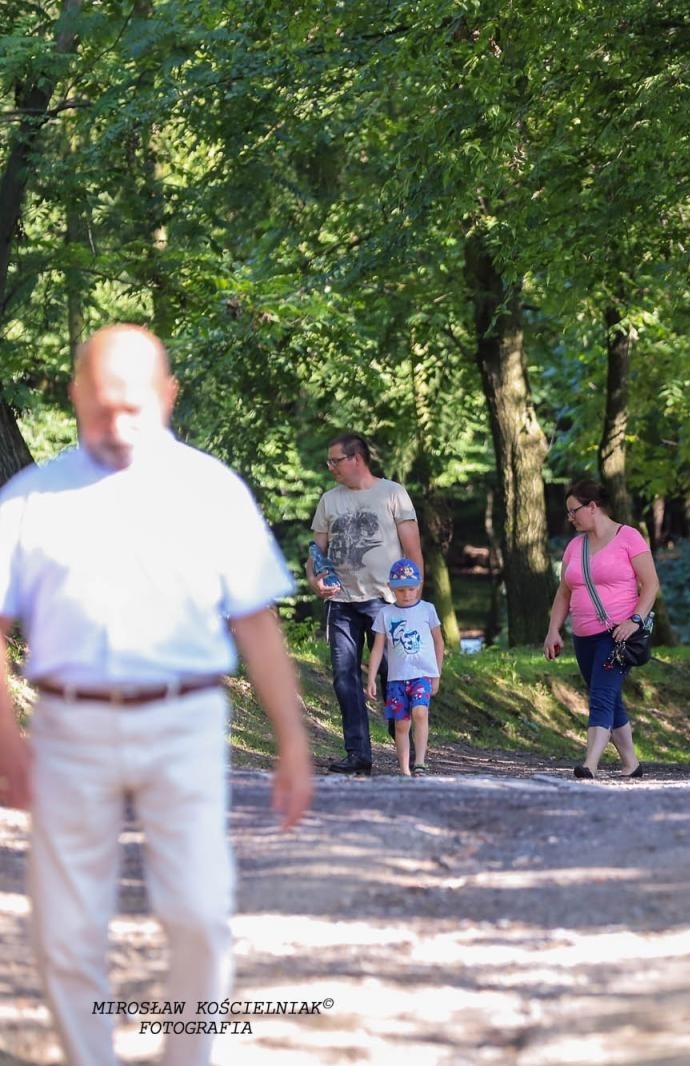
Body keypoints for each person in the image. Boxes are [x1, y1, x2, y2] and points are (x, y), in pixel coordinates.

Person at [0, 324, 314, 1066]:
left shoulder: (212, 491)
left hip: (186, 719)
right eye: (102, 406)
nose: (117, 425)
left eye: (135, 406)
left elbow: (258, 625)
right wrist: (6, 743)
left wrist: (293, 741)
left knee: (200, 913)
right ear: (75, 394)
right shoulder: (30, 499)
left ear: (168, 395)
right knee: (65, 929)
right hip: (68, 725)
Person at [309, 432, 422, 774]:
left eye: (335, 460)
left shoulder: (392, 494)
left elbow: (413, 553)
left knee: (394, 677)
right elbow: (316, 552)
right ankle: (358, 754)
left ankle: (408, 751)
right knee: (345, 678)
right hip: (341, 603)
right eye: (329, 462)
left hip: (385, 603)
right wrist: (315, 580)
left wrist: (413, 604)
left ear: (356, 458)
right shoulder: (330, 500)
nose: (331, 467)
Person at [543, 480, 660, 779]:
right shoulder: (575, 547)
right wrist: (553, 629)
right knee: (607, 695)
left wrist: (634, 620)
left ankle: (590, 764)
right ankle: (631, 764)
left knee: (601, 697)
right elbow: (564, 593)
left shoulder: (628, 537)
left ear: (593, 507)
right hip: (583, 637)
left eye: (574, 511)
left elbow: (651, 585)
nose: (570, 518)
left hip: (618, 636)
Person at [364, 558, 444, 777]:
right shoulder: (386, 614)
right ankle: (405, 769)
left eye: (411, 589)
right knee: (401, 725)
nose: (406, 594)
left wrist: (436, 674)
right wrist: (371, 678)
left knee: (420, 712)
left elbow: (439, 642)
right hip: (396, 678)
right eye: (400, 590)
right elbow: (378, 648)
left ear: (418, 586)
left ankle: (420, 762)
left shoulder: (427, 610)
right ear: (391, 589)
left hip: (422, 675)